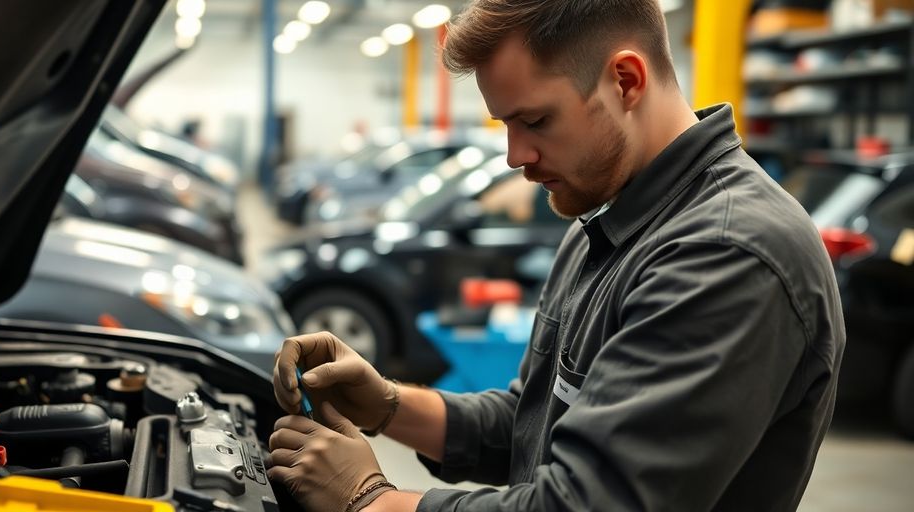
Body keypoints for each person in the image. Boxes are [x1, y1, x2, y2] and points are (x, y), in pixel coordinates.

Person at [266, 1, 846, 510]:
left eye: (535, 120)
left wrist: (371, 499)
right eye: (504, 124)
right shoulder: (607, 215)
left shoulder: (726, 253)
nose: (516, 156)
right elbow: (535, 421)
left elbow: (588, 503)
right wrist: (388, 405)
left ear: (625, 80)